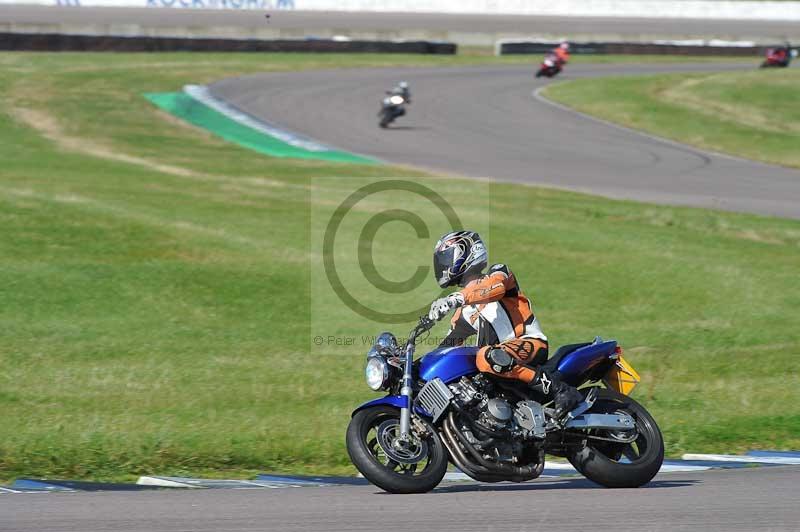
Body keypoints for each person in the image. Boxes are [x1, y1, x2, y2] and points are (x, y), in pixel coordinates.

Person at [427, 230, 582, 419]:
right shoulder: (463, 312)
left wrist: (456, 298)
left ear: (465, 253)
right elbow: (447, 348)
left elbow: (494, 288)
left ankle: (561, 390)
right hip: (498, 362)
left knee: (486, 356)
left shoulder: (499, 273)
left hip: (529, 343)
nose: (442, 266)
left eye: (445, 259)